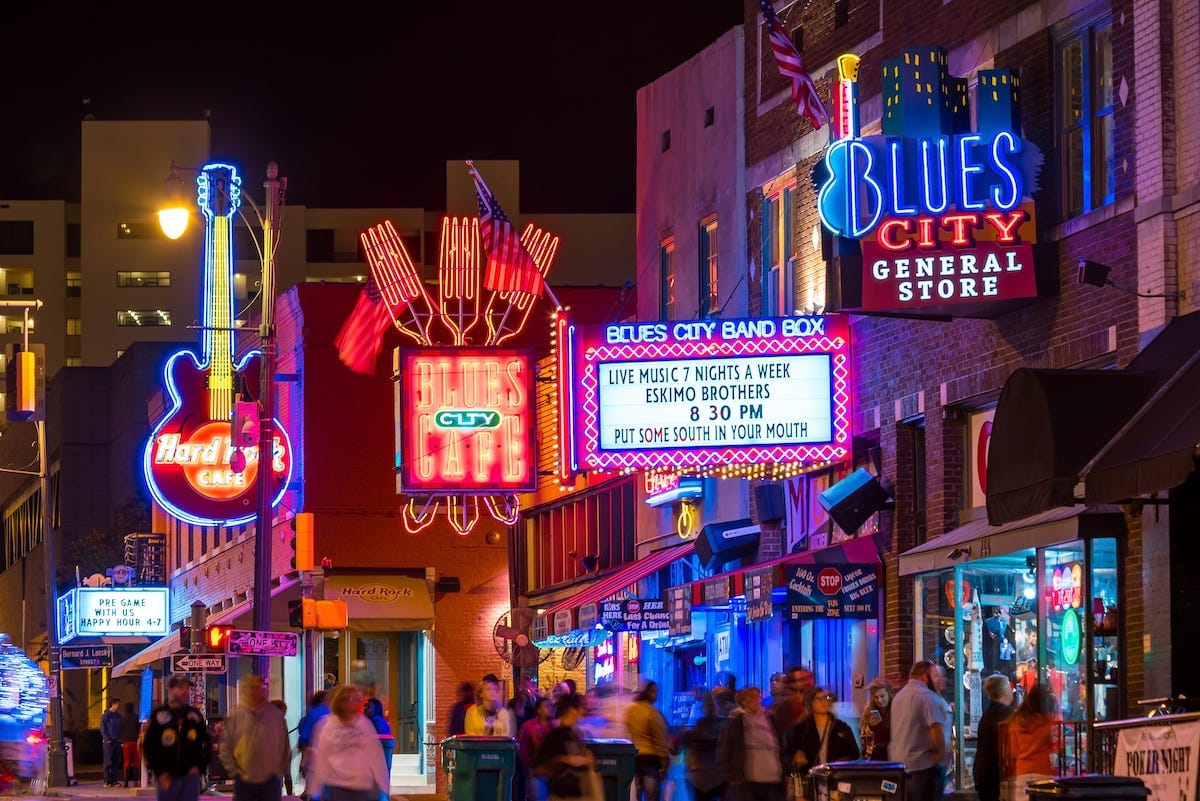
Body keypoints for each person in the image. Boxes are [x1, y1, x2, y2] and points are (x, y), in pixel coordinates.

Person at [310, 684, 390, 801]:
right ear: (340, 702)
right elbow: (321, 757)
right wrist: (315, 790)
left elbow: (376, 757)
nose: (354, 702)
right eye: (349, 699)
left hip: (362, 786)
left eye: (357, 699)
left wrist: (384, 787)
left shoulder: (364, 725)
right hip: (338, 786)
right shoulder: (327, 725)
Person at [221, 674, 292, 801]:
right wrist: (234, 772)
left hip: (270, 779)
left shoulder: (274, 714)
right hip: (243, 779)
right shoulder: (235, 715)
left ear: (262, 689)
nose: (253, 691)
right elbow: (226, 746)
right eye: (249, 687)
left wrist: (277, 770)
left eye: (256, 687)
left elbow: (285, 745)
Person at [142, 675, 212, 801]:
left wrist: (199, 767)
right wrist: (159, 772)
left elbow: (206, 742)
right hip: (167, 777)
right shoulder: (159, 715)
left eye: (187, 688)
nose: (185, 691)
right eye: (180, 688)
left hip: (190, 777)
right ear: (170, 690)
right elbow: (148, 746)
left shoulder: (194, 715)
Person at [889, 661, 952, 801]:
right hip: (923, 766)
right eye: (934, 676)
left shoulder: (898, 697)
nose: (939, 680)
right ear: (924, 677)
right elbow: (937, 729)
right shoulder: (928, 697)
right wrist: (940, 755)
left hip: (900, 765)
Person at [717, 686, 785, 801]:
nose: (756, 700)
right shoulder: (736, 721)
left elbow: (781, 745)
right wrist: (732, 775)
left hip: (773, 779)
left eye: (758, 697)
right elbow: (725, 749)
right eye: (752, 697)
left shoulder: (770, 719)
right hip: (749, 781)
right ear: (743, 700)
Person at [531, 693, 599, 801]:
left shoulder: (573, 734)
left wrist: (587, 759)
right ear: (572, 711)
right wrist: (564, 760)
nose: (582, 712)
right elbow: (538, 767)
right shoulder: (555, 735)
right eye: (581, 708)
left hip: (577, 793)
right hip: (561, 794)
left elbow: (580, 760)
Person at [785, 688, 860, 781]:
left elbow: (854, 754)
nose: (823, 701)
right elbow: (786, 754)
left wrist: (840, 762)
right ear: (810, 703)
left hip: (835, 778)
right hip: (809, 780)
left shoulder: (841, 728)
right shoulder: (800, 729)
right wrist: (795, 758)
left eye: (826, 698)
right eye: (818, 699)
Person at [1006, 682, 1057, 801]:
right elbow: (1055, 746)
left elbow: (1013, 751)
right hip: (1043, 771)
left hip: (1022, 772)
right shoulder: (1048, 721)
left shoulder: (1016, 721)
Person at [625, 682, 670, 801]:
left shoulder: (632, 710)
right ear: (648, 693)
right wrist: (665, 765)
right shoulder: (652, 712)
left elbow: (629, 732)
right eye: (654, 692)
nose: (656, 695)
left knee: (638, 794)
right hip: (651, 760)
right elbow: (660, 740)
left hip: (636, 759)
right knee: (652, 796)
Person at [679, 691, 727, 801]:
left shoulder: (698, 725)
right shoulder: (724, 725)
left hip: (698, 773)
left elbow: (684, 742)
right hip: (719, 773)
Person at [973, 675, 1014, 801]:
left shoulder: (990, 712)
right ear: (1003, 691)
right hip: (994, 775)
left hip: (984, 773)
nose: (1011, 690)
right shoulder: (1004, 714)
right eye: (1009, 687)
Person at [519, 697, 556, 801]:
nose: (550, 709)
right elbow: (522, 749)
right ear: (538, 710)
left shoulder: (556, 726)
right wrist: (531, 765)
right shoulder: (529, 726)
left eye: (552, 706)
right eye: (546, 706)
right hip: (535, 771)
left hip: (554, 770)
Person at [298, 690, 331, 800]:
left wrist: (304, 760)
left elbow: (304, 738)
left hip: (315, 759)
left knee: (315, 791)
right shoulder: (333, 713)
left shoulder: (313, 713)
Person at [363, 698, 394, 801]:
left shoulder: (376, 721)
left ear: (376, 708)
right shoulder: (378, 720)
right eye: (365, 706)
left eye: (368, 706)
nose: (365, 708)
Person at [860, 679, 895, 761]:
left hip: (889, 754)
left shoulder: (894, 709)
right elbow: (864, 737)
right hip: (873, 755)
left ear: (889, 694)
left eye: (882, 696)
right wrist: (870, 727)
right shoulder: (869, 711)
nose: (879, 700)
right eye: (876, 697)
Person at [270, 700, 295, 796]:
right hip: (279, 754)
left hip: (283, 753)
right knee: (282, 776)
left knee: (285, 775)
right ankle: (287, 795)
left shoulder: (280, 721)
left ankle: (288, 795)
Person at [102, 697, 123, 787]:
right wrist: (107, 739)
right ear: (113, 704)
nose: (118, 706)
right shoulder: (106, 715)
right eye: (117, 704)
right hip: (109, 742)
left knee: (116, 761)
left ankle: (114, 780)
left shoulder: (118, 716)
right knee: (108, 761)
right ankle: (107, 780)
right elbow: (103, 728)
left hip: (117, 741)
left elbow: (121, 728)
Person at [120, 701, 142, 788]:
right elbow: (139, 728)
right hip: (135, 741)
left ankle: (126, 782)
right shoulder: (136, 717)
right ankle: (136, 781)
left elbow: (120, 730)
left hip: (126, 742)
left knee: (127, 762)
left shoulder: (122, 718)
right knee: (136, 761)